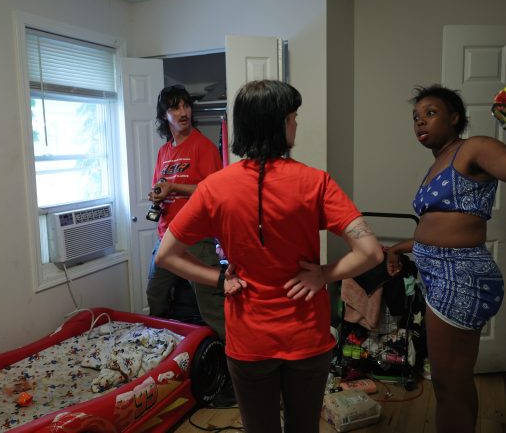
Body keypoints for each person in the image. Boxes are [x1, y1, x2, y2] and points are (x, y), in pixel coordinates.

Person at [155, 80, 384, 433]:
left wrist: (220, 278)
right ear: (278, 124)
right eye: (292, 117)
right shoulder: (315, 182)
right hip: (306, 336)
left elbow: (166, 256)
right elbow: (371, 252)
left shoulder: (215, 188)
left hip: (249, 340)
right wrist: (323, 274)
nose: (296, 124)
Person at [385, 79, 506, 433]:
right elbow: (438, 229)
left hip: (459, 277)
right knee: (453, 382)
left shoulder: (474, 148)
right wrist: (399, 248)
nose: (420, 122)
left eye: (431, 113)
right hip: (437, 274)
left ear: (454, 118)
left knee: (448, 383)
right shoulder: (439, 162)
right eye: (416, 117)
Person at [146, 85, 237, 404]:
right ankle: (166, 366)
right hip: (165, 235)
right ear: (165, 115)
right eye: (176, 108)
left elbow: (215, 191)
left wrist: (175, 186)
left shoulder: (202, 147)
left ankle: (235, 378)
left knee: (213, 308)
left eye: (186, 106)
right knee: (155, 296)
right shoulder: (163, 151)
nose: (184, 112)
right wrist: (160, 191)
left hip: (196, 238)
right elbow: (164, 184)